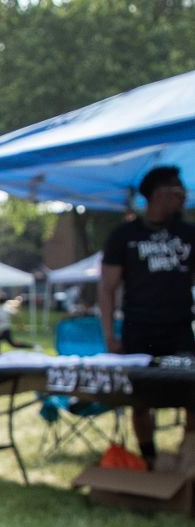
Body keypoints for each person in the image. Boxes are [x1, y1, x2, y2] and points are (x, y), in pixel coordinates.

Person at [99, 165, 195, 467]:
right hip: (139, 331)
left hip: (179, 330)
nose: (184, 199)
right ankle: (149, 461)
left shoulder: (189, 234)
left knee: (192, 395)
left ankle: (187, 460)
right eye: (178, 193)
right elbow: (107, 288)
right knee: (141, 401)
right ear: (159, 195)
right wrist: (109, 336)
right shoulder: (124, 235)